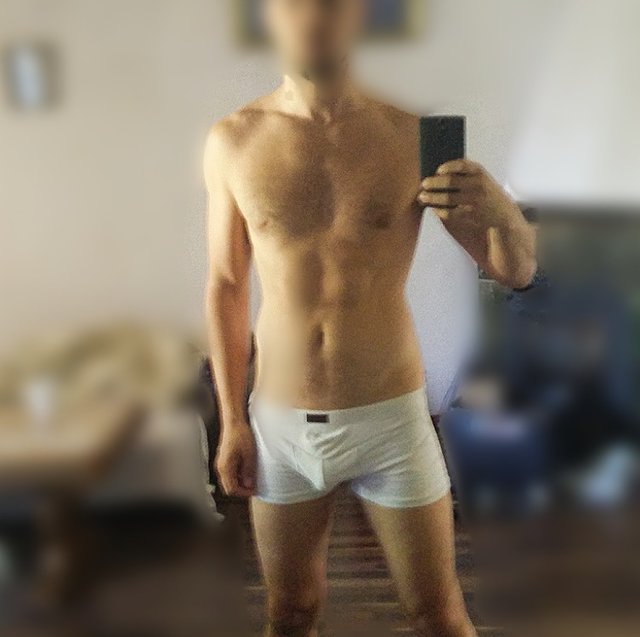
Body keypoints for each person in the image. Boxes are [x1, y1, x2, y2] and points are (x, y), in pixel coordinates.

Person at [204, 1, 537, 635]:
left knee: (440, 617)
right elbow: (225, 284)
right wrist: (231, 420)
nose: (311, 17)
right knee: (291, 613)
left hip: (391, 421)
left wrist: (504, 212)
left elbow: (513, 271)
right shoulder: (233, 141)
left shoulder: (415, 137)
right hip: (281, 425)